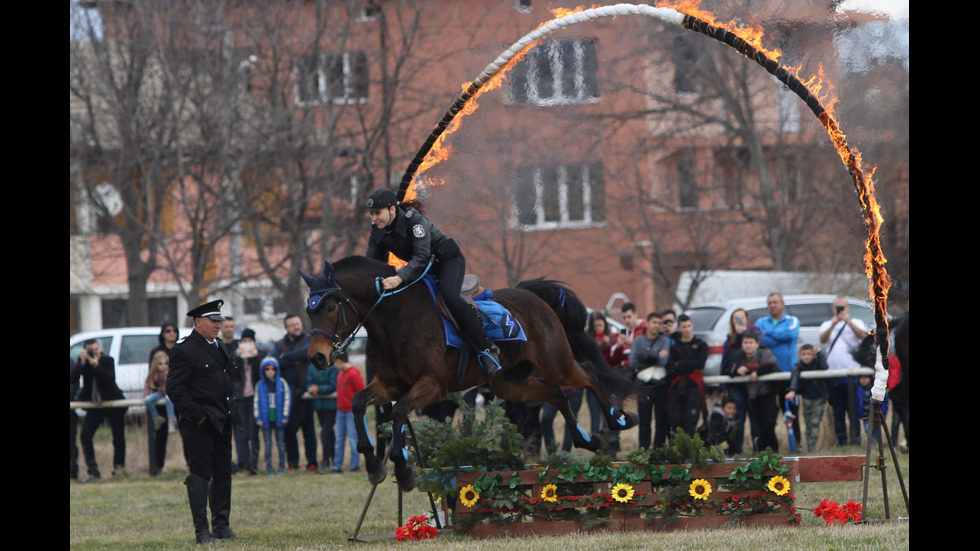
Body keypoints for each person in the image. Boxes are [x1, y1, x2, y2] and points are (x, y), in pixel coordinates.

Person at [364, 188, 500, 376]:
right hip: (422, 268)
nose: (374, 218)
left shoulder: (415, 221)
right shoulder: (377, 230)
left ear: (392, 210)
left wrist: (399, 278)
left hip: (447, 261)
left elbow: (421, 257)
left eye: (377, 213)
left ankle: (487, 349)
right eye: (371, 214)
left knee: (450, 296)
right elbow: (372, 264)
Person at [167, 299, 243, 543]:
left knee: (223, 471)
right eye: (213, 321)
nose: (218, 325)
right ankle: (202, 532)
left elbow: (227, 377)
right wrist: (197, 414)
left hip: (222, 419)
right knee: (201, 473)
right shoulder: (184, 349)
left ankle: (222, 526)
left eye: (220, 321)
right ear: (198, 322)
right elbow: (175, 389)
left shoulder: (218, 345)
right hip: (199, 422)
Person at [72, 339, 128, 479]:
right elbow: (73, 378)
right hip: (95, 405)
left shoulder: (107, 360)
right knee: (85, 435)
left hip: (113, 402)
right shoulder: (83, 363)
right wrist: (82, 363)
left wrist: (96, 365)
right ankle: (92, 470)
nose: (94, 352)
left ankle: (119, 468)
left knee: (118, 437)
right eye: (90, 350)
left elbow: (110, 379)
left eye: (96, 349)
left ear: (100, 349)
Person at [819, 296, 867, 446]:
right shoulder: (827, 324)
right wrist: (833, 325)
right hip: (833, 374)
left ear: (848, 308)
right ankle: (842, 441)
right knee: (838, 410)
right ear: (832, 309)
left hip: (852, 374)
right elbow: (822, 339)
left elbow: (862, 336)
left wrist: (848, 322)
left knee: (854, 409)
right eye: (837, 307)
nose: (840, 310)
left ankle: (856, 440)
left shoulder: (857, 322)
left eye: (843, 307)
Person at [272, 314, 318, 472]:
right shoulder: (279, 344)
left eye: (298, 324)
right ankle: (293, 463)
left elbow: (307, 353)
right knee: (289, 430)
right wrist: (291, 360)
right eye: (293, 325)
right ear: (286, 328)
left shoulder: (307, 339)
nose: (297, 327)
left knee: (309, 429)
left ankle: (312, 463)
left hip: (306, 392)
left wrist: (285, 358)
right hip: (287, 394)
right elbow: (274, 362)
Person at [755, 293, 801, 446]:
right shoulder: (760, 322)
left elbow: (790, 334)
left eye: (775, 302)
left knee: (792, 413)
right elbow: (760, 341)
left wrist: (767, 334)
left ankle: (797, 445)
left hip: (788, 374)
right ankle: (769, 447)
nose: (772, 305)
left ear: (782, 303)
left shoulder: (792, 320)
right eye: (769, 303)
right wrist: (777, 336)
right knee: (768, 414)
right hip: (768, 375)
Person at [728, 329, 780, 452]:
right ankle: (765, 452)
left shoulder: (765, 355)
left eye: (751, 342)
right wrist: (737, 371)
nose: (748, 345)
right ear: (742, 344)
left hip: (769, 394)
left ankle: (771, 450)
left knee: (769, 424)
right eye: (745, 342)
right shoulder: (739, 357)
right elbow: (729, 369)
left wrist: (758, 373)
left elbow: (775, 369)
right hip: (753, 397)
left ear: (757, 344)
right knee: (760, 425)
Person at [631, 312, 670, 449]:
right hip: (643, 386)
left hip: (660, 385)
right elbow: (634, 362)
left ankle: (658, 451)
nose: (656, 326)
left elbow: (663, 361)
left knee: (661, 420)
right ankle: (643, 451)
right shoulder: (639, 341)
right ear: (647, 323)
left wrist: (645, 355)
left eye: (659, 323)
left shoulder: (664, 340)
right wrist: (655, 355)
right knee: (644, 421)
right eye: (654, 322)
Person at [665, 315, 708, 437]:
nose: (687, 329)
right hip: (677, 386)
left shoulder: (701, 345)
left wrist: (681, 364)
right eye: (684, 327)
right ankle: (676, 453)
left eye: (689, 326)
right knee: (675, 420)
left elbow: (701, 363)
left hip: (694, 386)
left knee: (690, 420)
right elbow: (671, 369)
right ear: (679, 329)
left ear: (692, 326)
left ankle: (689, 452)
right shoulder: (674, 348)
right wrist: (691, 365)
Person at [721, 307, 753, 454]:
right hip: (735, 386)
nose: (738, 321)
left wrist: (744, 334)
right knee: (738, 420)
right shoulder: (729, 341)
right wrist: (723, 388)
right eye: (735, 318)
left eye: (741, 317)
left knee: (754, 419)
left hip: (752, 385)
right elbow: (725, 364)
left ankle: (757, 449)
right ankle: (736, 451)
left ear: (747, 319)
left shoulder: (753, 335)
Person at [786, 344, 829, 452]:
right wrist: (793, 390)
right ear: (800, 355)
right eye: (803, 354)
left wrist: (819, 354)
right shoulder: (798, 366)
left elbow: (824, 367)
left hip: (819, 398)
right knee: (808, 423)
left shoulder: (817, 363)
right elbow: (795, 376)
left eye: (809, 354)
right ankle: (809, 445)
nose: (806, 357)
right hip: (806, 399)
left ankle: (812, 446)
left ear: (813, 355)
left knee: (815, 422)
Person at [234, 329, 263, 475]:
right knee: (242, 434)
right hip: (241, 399)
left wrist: (255, 354)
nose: (246, 344)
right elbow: (231, 373)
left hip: (254, 399)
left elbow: (262, 371)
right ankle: (244, 463)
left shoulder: (258, 357)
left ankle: (254, 464)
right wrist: (238, 356)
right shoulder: (236, 357)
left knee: (253, 433)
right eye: (244, 341)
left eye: (249, 341)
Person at [255, 357, 291, 476]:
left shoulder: (282, 383)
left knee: (280, 443)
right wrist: (258, 418)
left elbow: (287, 399)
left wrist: (285, 416)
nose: (270, 371)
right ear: (263, 371)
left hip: (279, 418)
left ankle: (282, 466)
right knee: (268, 444)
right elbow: (256, 402)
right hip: (266, 419)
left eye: (273, 368)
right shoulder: (260, 385)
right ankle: (269, 468)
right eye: (267, 369)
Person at [332, 351, 365, 472]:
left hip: (351, 412)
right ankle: (337, 466)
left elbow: (361, 391)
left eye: (335, 362)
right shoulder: (339, 375)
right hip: (340, 411)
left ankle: (354, 465)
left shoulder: (353, 374)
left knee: (353, 439)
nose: (334, 365)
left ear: (339, 361)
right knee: (339, 440)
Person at [307, 357, 338, 473]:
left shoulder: (332, 369)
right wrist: (312, 388)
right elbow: (308, 383)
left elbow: (333, 385)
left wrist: (318, 389)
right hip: (318, 406)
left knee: (325, 432)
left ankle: (325, 461)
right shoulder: (311, 368)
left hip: (331, 406)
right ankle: (334, 458)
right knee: (329, 433)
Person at [144, 350, 177, 435]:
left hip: (169, 393)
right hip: (160, 392)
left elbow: (174, 384)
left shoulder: (171, 372)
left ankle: (171, 420)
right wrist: (145, 395)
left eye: (165, 363)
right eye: (160, 363)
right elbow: (148, 384)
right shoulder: (153, 373)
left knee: (168, 399)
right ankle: (156, 417)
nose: (163, 366)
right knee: (148, 400)